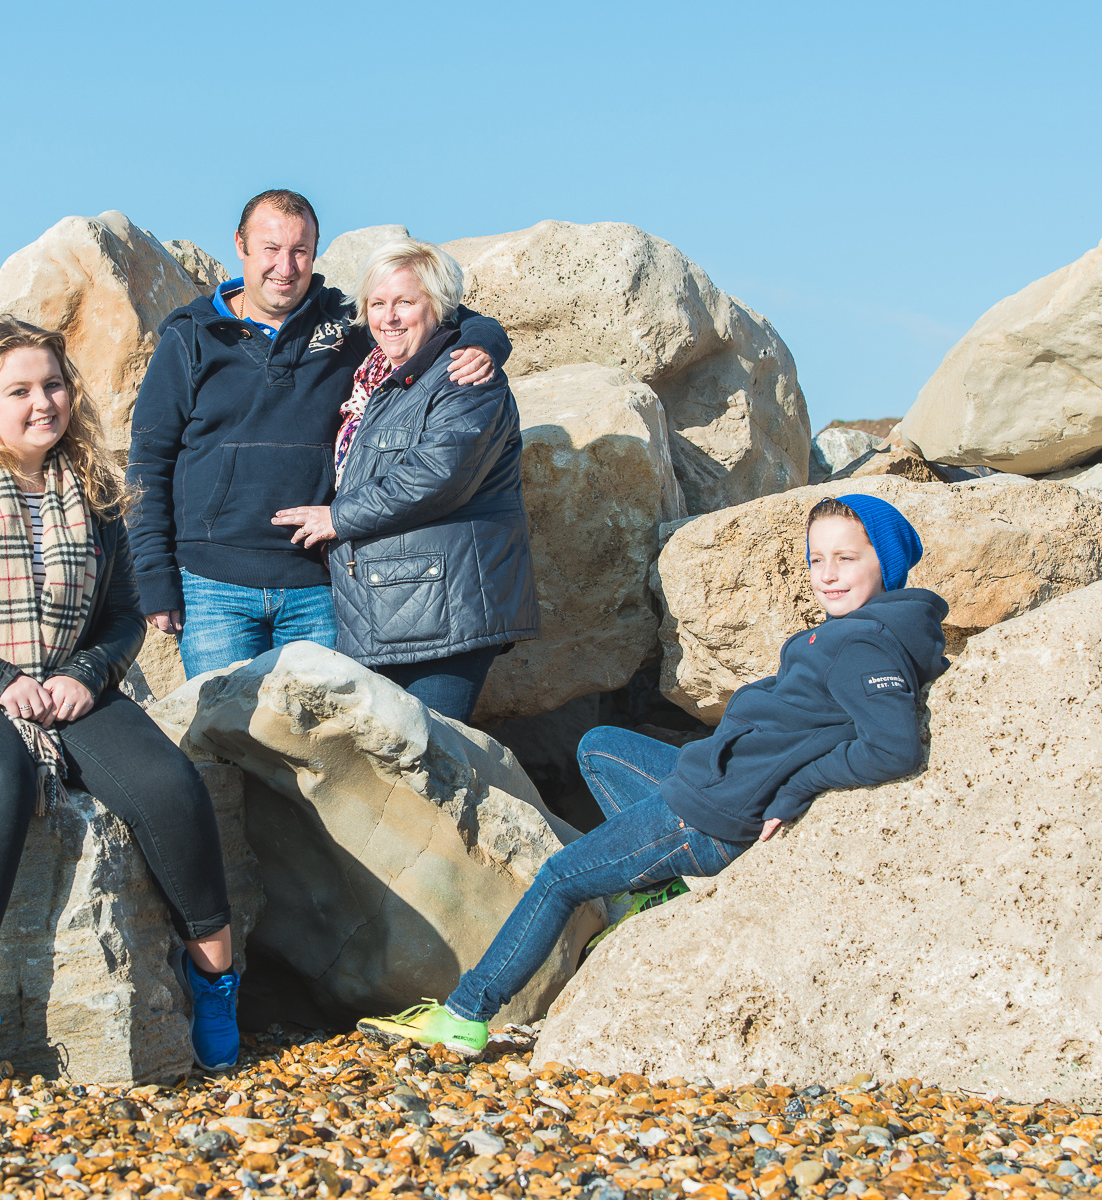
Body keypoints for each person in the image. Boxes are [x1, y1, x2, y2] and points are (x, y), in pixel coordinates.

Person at [356, 493, 948, 1056]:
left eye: (848, 558)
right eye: (818, 558)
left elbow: (892, 750)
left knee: (562, 877)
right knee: (600, 746)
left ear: (885, 563)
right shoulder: (851, 632)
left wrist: (794, 788)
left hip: (714, 815)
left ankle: (465, 1015)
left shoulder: (864, 644)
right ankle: (660, 883)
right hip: (717, 778)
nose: (828, 574)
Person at [0, 315, 241, 1078]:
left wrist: (84, 676)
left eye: (53, 385)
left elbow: (125, 615)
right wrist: (0, 683)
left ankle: (215, 980)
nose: (42, 403)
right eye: (18, 389)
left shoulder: (95, 494)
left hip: (64, 681)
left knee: (167, 783)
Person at [125, 189, 513, 679]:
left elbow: (439, 316)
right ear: (240, 245)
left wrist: (485, 343)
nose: (285, 267)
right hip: (212, 588)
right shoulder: (189, 338)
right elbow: (148, 463)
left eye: (300, 250)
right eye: (270, 249)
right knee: (223, 749)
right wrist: (154, 577)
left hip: (322, 586)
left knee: (320, 746)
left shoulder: (345, 321)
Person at [272, 238, 539, 724]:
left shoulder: (463, 373)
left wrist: (337, 517)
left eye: (405, 302)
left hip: (443, 606)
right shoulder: (375, 378)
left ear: (436, 307)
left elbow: (438, 475)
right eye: (377, 303)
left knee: (428, 767)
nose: (388, 317)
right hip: (392, 605)